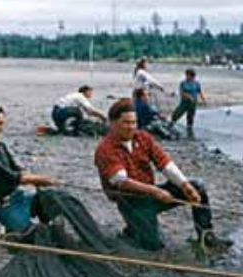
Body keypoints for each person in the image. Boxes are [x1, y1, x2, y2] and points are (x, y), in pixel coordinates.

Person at [93, 98, 231, 252]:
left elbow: (164, 163)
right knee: (153, 246)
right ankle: (132, 228)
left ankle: (207, 235)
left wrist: (184, 185)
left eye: (134, 122)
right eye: (126, 122)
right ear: (112, 123)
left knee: (197, 187)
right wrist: (156, 191)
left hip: (151, 195)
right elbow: (121, 181)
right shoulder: (105, 148)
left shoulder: (143, 137)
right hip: (130, 201)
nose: (131, 127)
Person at [0, 103, 55, 236]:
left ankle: (18, 229)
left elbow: (17, 170)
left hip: (20, 198)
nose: (1, 129)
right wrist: (39, 179)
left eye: (2, 124)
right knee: (31, 235)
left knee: (54, 200)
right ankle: (15, 230)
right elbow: (11, 176)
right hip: (5, 207)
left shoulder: (0, 146)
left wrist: (39, 180)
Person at [170, 68, 206, 132]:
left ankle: (189, 131)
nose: (186, 76)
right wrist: (189, 97)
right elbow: (182, 93)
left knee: (190, 118)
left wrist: (203, 100)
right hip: (184, 103)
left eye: (188, 75)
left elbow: (200, 92)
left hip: (193, 103)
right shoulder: (183, 83)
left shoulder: (196, 83)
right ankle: (170, 126)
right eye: (186, 75)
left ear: (192, 76)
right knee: (176, 114)